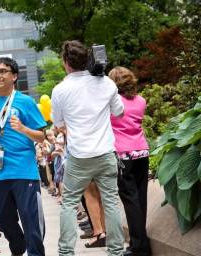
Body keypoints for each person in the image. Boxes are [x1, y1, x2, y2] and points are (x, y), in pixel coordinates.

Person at [51, 40, 125, 256]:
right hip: (105, 153)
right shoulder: (106, 83)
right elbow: (119, 112)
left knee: (69, 203)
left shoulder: (60, 90)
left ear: (66, 62)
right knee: (111, 201)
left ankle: (66, 252)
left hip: (79, 156)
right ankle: (116, 251)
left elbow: (59, 123)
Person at [0, 57, 47, 256]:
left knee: (31, 219)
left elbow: (41, 136)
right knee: (0, 215)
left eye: (3, 71)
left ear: (14, 76)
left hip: (23, 170)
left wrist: (22, 128)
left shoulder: (25, 101)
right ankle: (18, 243)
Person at [109, 66, 151, 256]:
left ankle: (138, 246)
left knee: (130, 200)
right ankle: (142, 242)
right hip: (142, 151)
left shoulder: (113, 103)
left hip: (123, 153)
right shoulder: (141, 100)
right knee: (140, 198)